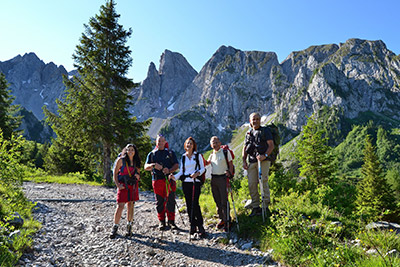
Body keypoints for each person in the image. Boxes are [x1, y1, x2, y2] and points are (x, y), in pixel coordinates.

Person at [170, 137, 206, 238]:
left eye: (190, 143)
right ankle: (192, 225)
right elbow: (182, 171)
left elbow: (203, 168)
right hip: (186, 182)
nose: (188, 145)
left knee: (195, 203)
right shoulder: (183, 157)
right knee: (189, 204)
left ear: (193, 145)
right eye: (187, 143)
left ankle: (200, 226)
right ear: (185, 146)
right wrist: (174, 177)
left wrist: (197, 173)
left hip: (195, 182)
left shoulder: (198, 155)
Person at [242, 112, 274, 217]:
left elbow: (271, 145)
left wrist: (265, 155)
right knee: (252, 184)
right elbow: (245, 148)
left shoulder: (265, 131)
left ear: (260, 120)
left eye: (257, 119)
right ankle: (255, 206)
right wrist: (244, 160)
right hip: (252, 161)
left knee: (263, 181)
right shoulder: (248, 133)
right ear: (250, 121)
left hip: (263, 161)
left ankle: (265, 207)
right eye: (253, 119)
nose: (255, 121)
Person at [144, 135, 179, 231]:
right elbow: (145, 166)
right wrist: (153, 165)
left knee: (171, 200)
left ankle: (171, 222)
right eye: (158, 141)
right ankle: (162, 221)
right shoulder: (152, 154)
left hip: (169, 179)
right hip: (157, 180)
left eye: (162, 141)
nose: (160, 143)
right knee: (159, 201)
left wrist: (170, 170)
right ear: (156, 142)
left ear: (165, 142)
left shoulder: (170, 153)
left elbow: (176, 165)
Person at [110, 144, 141, 238]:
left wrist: (138, 177)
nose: (131, 151)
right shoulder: (121, 160)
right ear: (126, 151)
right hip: (123, 186)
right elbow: (115, 173)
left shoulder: (136, 162)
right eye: (129, 150)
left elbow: (138, 174)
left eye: (132, 150)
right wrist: (118, 185)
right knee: (120, 206)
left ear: (135, 151)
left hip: (132, 186)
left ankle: (129, 226)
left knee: (131, 205)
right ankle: (115, 226)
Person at [206, 136, 234, 231]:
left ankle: (227, 221)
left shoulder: (226, 152)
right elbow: (207, 163)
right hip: (214, 178)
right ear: (211, 145)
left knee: (224, 200)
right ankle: (221, 219)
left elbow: (230, 164)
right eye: (213, 142)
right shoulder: (211, 154)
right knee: (217, 200)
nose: (215, 144)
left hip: (223, 177)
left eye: (217, 142)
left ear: (220, 142)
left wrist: (230, 173)